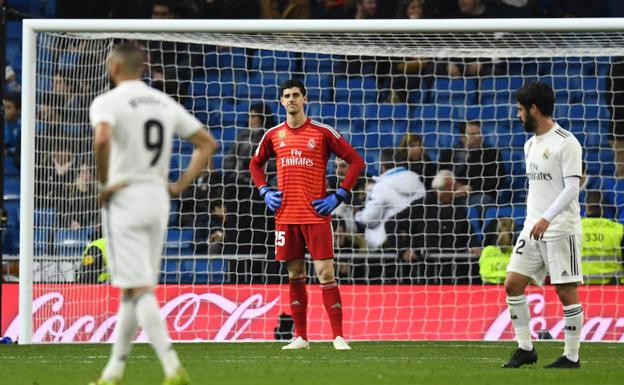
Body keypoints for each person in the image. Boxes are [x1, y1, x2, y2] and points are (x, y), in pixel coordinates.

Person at [88, 42, 216, 385]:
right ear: (141, 68)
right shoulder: (162, 101)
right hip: (158, 199)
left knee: (139, 287)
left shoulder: (107, 102)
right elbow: (207, 142)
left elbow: (102, 139)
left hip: (125, 197)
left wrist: (105, 182)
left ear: (113, 67)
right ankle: (113, 372)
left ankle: (172, 367)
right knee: (133, 288)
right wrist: (179, 185)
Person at [249, 79, 365, 350]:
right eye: (287, 95)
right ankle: (300, 337)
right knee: (295, 276)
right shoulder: (273, 135)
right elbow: (255, 164)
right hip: (286, 217)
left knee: (326, 274)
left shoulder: (322, 132)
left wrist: (339, 195)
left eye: (296, 95)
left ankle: (338, 336)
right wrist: (264, 190)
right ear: (281, 101)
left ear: (305, 99)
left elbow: (357, 162)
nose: (291, 99)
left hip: (316, 216)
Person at [502, 82, 583, 369]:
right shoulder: (530, 144)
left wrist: (547, 217)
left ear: (534, 109)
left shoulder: (566, 142)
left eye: (520, 110)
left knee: (565, 291)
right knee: (512, 284)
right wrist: (535, 219)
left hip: (560, 227)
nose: (518, 115)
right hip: (532, 227)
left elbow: (572, 188)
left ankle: (571, 356)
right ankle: (526, 348)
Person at [355, 148, 425, 250]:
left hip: (384, 246)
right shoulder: (419, 184)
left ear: (383, 167)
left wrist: (357, 215)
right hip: (414, 246)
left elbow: (369, 219)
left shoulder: (381, 186)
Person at [438, 120, 507, 215]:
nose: (478, 137)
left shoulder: (492, 154)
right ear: (463, 138)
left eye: (479, 133)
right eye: (473, 134)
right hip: (452, 195)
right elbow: (440, 175)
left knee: (483, 201)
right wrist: (454, 187)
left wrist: (471, 188)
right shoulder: (448, 154)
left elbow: (496, 179)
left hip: (477, 195)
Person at [581, 191, 624, 284]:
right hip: (614, 289)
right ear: (603, 207)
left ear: (586, 207)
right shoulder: (619, 230)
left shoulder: (575, 229)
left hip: (579, 288)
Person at [479, 217, 515, 284]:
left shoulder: (487, 251)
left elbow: (484, 274)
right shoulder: (518, 252)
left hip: (488, 287)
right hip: (513, 286)